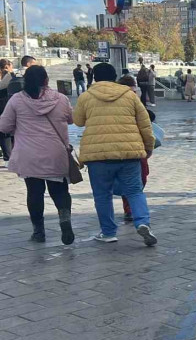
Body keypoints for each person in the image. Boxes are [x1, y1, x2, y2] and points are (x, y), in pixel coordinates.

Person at [73, 63, 157, 246]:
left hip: (98, 155)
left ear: (94, 77)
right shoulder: (129, 95)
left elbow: (78, 121)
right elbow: (145, 125)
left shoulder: (86, 97)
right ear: (114, 76)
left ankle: (109, 232)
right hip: (129, 153)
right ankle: (143, 222)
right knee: (135, 191)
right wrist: (148, 148)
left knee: (102, 195)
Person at [0, 66, 76, 244]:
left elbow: (4, 126)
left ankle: (38, 232)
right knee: (60, 191)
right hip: (56, 153)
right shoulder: (61, 99)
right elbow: (71, 119)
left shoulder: (17, 100)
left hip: (29, 155)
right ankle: (65, 222)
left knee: (34, 192)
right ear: (46, 80)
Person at [122, 109, 155, 223]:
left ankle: (130, 209)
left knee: (134, 181)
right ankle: (132, 211)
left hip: (132, 151)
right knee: (135, 183)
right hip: (136, 152)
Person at [0, 59, 14, 163]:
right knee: (5, 134)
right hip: (3, 107)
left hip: (5, 107)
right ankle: (8, 157)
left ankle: (8, 156)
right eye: (11, 66)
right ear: (6, 67)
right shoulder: (8, 77)